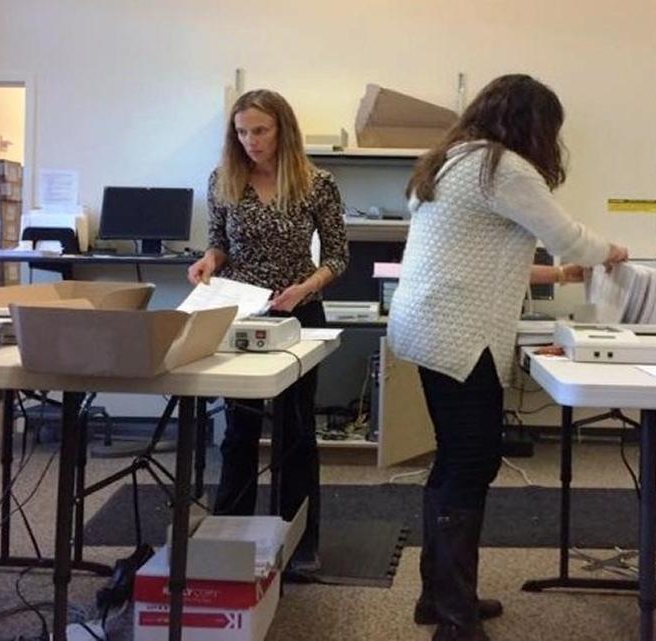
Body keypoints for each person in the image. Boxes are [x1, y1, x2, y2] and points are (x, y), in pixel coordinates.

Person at [387, 74, 628, 641]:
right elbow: (568, 235)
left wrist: (560, 273)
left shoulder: (448, 160)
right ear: (533, 125)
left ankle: (442, 596)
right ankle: (453, 617)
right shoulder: (503, 167)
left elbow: (481, 251)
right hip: (457, 332)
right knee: (473, 461)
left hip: (428, 324)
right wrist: (610, 252)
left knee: (454, 459)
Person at [187, 89, 348, 573]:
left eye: (260, 130)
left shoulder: (316, 183)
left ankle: (300, 542)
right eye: (242, 132)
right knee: (239, 431)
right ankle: (230, 535)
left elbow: (339, 256)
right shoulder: (224, 179)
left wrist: (305, 287)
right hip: (242, 317)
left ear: (282, 130)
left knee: (297, 433)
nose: (251, 141)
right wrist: (208, 261)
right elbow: (218, 244)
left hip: (298, 315)